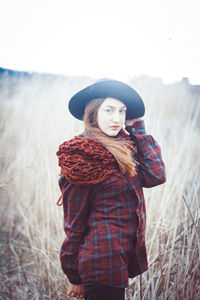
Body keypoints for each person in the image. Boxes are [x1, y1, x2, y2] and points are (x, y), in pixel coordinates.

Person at [56, 79, 166, 300]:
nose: (117, 119)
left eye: (122, 111)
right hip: (99, 263)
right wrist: (73, 276)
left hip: (119, 259)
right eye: (108, 110)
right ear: (93, 113)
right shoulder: (82, 158)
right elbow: (74, 224)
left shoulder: (124, 147)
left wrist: (138, 130)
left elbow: (156, 176)